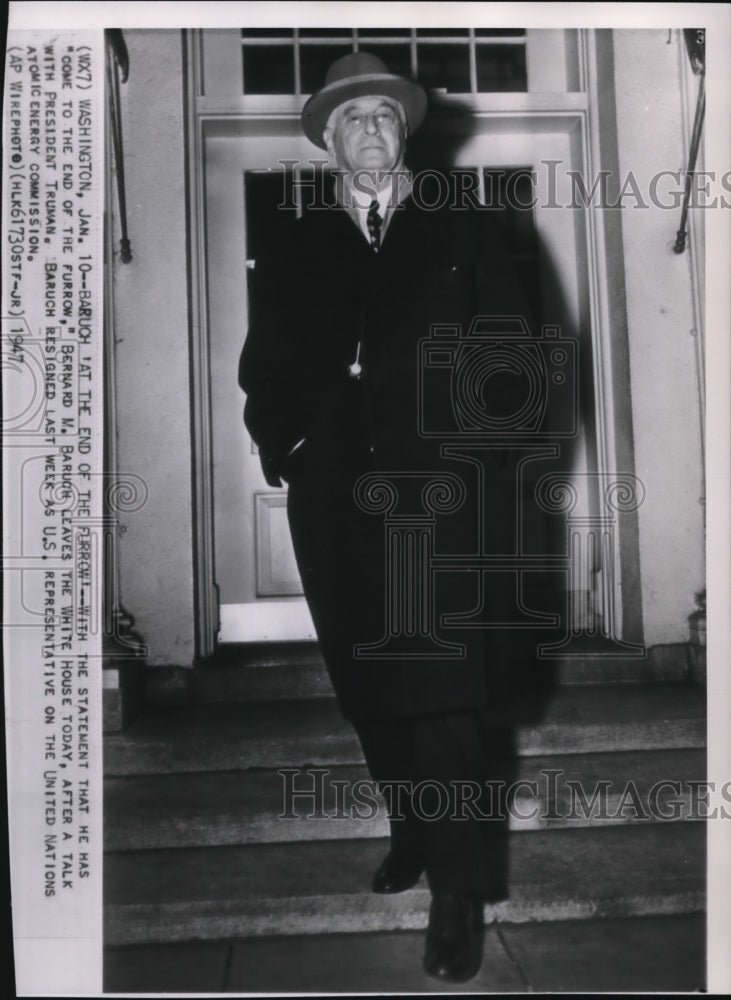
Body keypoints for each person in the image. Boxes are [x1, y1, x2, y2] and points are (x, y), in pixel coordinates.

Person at [239, 51, 534, 983]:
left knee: (440, 689)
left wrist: (481, 466)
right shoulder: (292, 243)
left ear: (402, 135)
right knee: (366, 679)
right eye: (350, 119)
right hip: (333, 492)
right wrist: (284, 448)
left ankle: (458, 894)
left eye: (383, 118)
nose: (368, 131)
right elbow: (266, 368)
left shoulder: (465, 226)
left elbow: (513, 359)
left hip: (437, 497)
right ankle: (411, 825)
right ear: (328, 143)